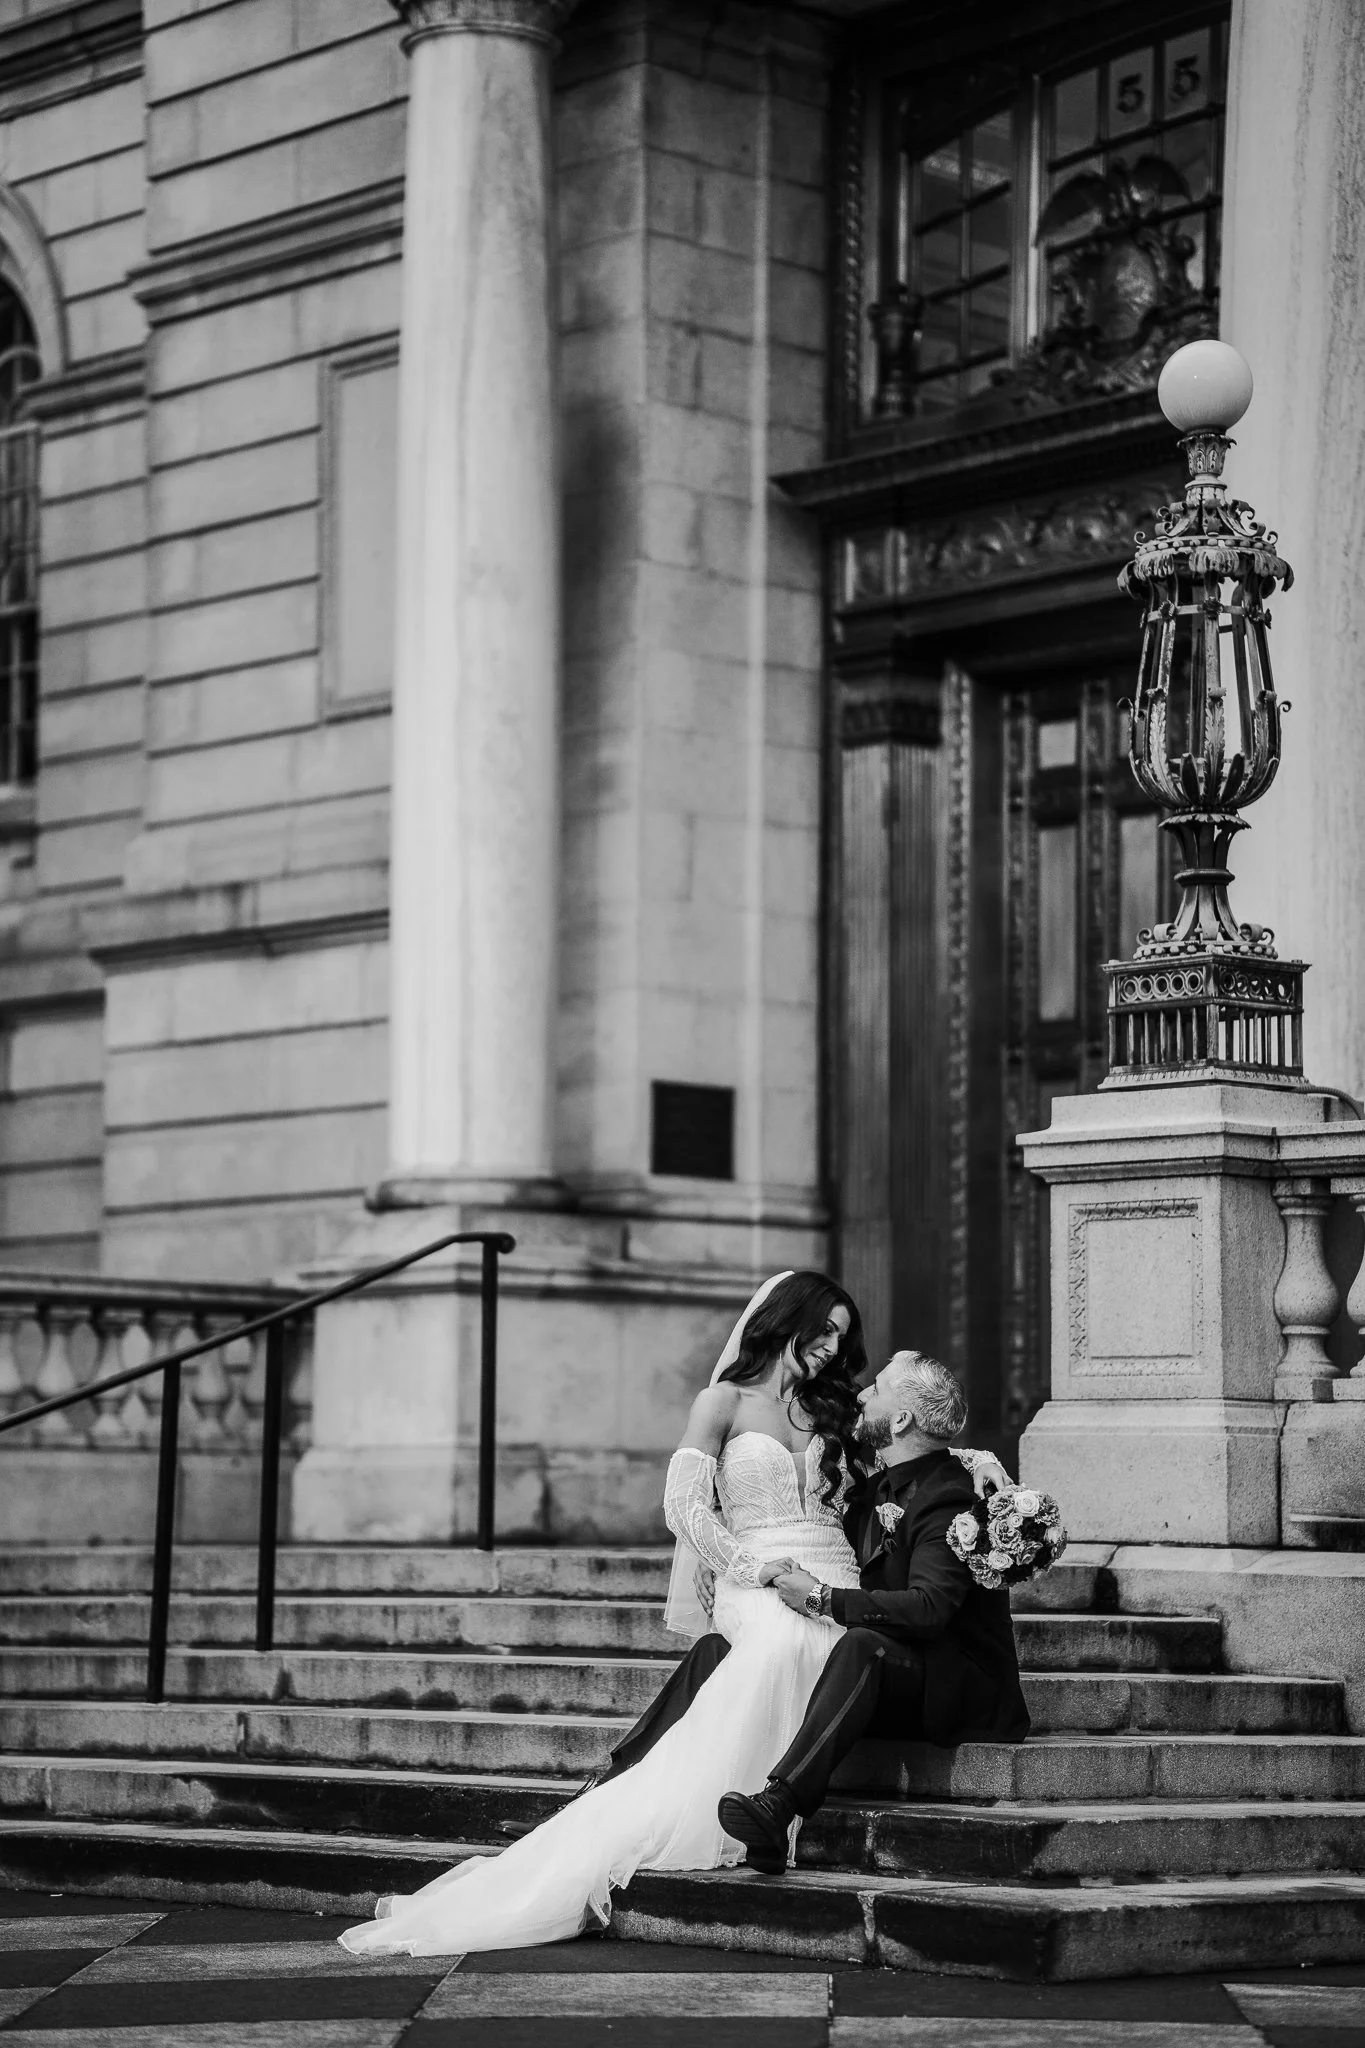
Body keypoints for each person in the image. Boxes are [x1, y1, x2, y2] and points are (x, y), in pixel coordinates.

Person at [337, 1273, 1003, 1960]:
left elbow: (908, 1448)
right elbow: (683, 1509)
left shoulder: (829, 1408)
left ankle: (753, 1806)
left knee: (831, 1645)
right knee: (777, 1643)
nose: (834, 1348)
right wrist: (753, 1570)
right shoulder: (720, 1402)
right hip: (757, 1569)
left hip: (832, 1571)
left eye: (843, 1335)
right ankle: (720, 1808)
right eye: (823, 1329)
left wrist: (977, 1461)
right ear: (785, 1321)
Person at [715, 1349, 1031, 1876]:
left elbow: (929, 1609)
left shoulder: (949, 1497)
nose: (861, 1394)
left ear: (902, 1419)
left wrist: (823, 1599)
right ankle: (615, 1781)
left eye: (877, 1387)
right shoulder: (875, 1484)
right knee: (724, 1649)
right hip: (902, 1671)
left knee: (858, 1643)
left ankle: (779, 1803)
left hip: (957, 1683)